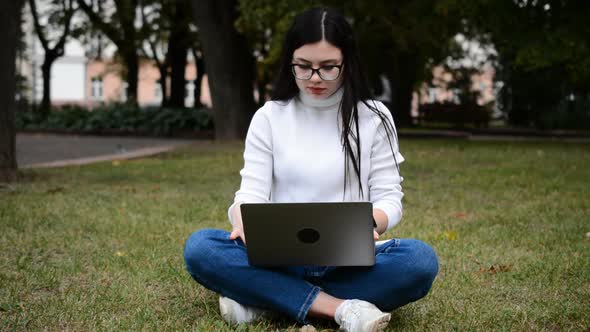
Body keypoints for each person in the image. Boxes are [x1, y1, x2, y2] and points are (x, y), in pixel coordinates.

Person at [183, 7, 438, 332]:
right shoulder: (269, 117)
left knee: (419, 261)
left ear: (348, 63)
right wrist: (243, 220)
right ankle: (342, 309)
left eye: (329, 68)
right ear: (290, 63)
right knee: (201, 248)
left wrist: (368, 223)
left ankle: (267, 301)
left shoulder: (375, 118)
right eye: (303, 67)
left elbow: (390, 199)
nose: (315, 78)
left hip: (349, 261)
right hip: (279, 258)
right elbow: (250, 193)